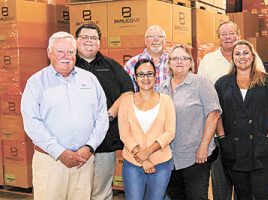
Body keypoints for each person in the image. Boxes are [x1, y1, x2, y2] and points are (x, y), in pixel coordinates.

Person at [20, 31, 109, 200]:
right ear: (49, 53)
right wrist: (59, 152)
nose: (66, 56)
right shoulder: (36, 83)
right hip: (50, 162)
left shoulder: (90, 80)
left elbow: (101, 117)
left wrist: (90, 147)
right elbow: (32, 123)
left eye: (70, 52)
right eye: (60, 51)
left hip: (84, 161)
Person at [197, 21, 265, 200]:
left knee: (245, 183)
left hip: (247, 133)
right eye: (223, 34)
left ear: (239, 34)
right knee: (221, 180)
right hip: (218, 130)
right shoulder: (208, 61)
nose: (228, 37)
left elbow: (262, 90)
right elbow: (200, 93)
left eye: (232, 33)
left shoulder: (253, 58)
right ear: (218, 37)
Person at [215, 40, 268, 200]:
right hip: (234, 148)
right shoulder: (222, 84)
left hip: (261, 147)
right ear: (232, 58)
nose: (242, 57)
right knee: (242, 194)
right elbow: (216, 114)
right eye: (237, 54)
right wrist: (222, 138)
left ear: (253, 56)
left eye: (245, 53)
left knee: (261, 194)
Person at [75, 24, 134, 200]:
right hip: (75, 142)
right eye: (84, 37)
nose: (89, 41)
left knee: (101, 191)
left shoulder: (112, 66)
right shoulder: (67, 65)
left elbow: (128, 92)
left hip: (105, 142)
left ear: (100, 42)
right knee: (77, 190)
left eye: (93, 38)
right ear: (76, 41)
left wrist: (109, 115)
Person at [158, 44, 221, 200]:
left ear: (191, 63)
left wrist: (204, 147)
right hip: (169, 158)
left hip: (196, 156)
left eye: (184, 58)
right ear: (169, 63)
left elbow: (213, 115)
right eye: (175, 58)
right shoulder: (161, 88)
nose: (179, 61)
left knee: (197, 197)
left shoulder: (201, 83)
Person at [118, 59, 176, 200]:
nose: (146, 78)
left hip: (161, 162)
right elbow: (124, 134)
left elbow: (170, 132)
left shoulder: (166, 101)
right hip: (133, 162)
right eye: (141, 74)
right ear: (135, 78)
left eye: (149, 74)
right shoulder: (126, 101)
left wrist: (148, 152)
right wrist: (142, 159)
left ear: (155, 77)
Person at [124, 25, 170, 91]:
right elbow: (127, 92)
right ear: (145, 41)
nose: (156, 40)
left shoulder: (173, 62)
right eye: (151, 36)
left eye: (160, 36)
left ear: (165, 40)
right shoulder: (132, 64)